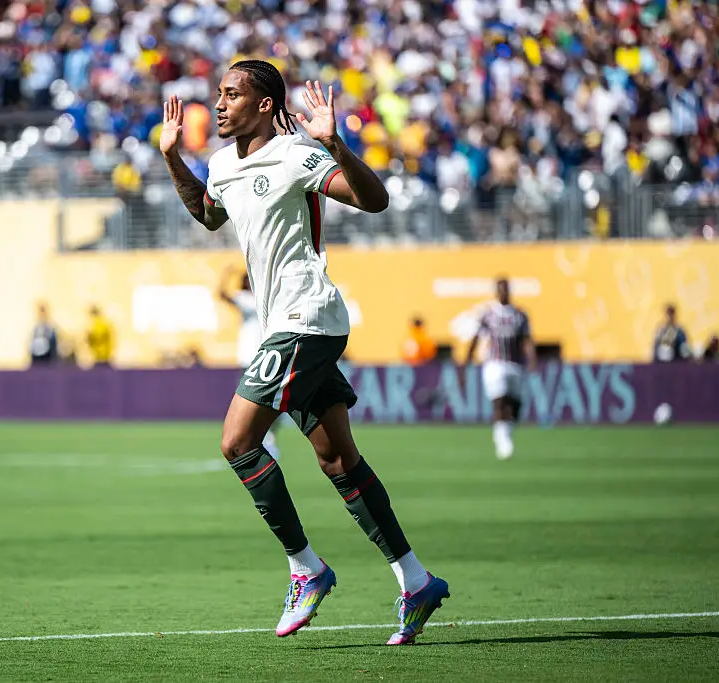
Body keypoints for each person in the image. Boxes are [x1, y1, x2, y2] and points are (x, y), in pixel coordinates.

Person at [160, 61, 448, 646]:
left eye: (232, 94)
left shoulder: (296, 154)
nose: (218, 104)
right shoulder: (221, 164)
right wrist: (171, 159)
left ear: (265, 105)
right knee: (338, 460)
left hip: (307, 318)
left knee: (238, 442)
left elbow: (376, 201)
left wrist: (335, 143)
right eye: (218, 94)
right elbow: (209, 214)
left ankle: (306, 569)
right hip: (283, 325)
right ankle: (415, 581)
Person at [464, 278, 537, 460]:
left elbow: (526, 340)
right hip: (494, 364)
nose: (504, 293)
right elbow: (476, 337)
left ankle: (506, 433)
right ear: (496, 292)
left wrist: (532, 359)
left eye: (506, 289)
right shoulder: (488, 314)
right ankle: (502, 440)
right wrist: (467, 360)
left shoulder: (520, 315)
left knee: (515, 405)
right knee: (500, 400)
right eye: (501, 290)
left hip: (515, 364)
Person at [218, 266, 281, 458]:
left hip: (267, 356)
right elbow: (221, 294)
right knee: (248, 402)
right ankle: (254, 439)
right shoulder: (243, 298)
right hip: (248, 357)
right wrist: (225, 274)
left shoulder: (266, 297)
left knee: (272, 402)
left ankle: (268, 438)